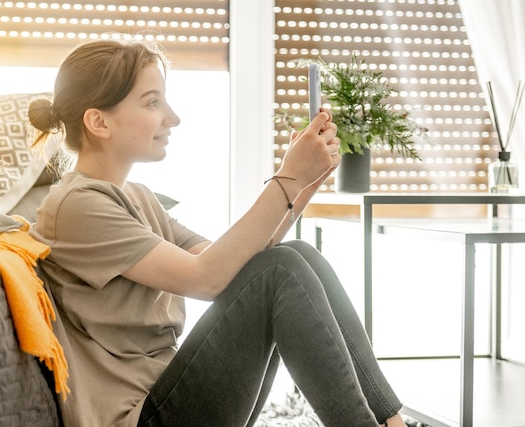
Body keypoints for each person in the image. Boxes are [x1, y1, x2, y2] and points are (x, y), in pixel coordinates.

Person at [28, 38, 407, 427]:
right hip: (140, 418)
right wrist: (287, 180)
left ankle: (393, 422)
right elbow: (206, 279)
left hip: (168, 393)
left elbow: (236, 266)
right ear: (99, 121)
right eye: (152, 102)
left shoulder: (137, 197)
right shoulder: (77, 206)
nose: (172, 118)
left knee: (295, 257)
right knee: (280, 270)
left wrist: (303, 184)